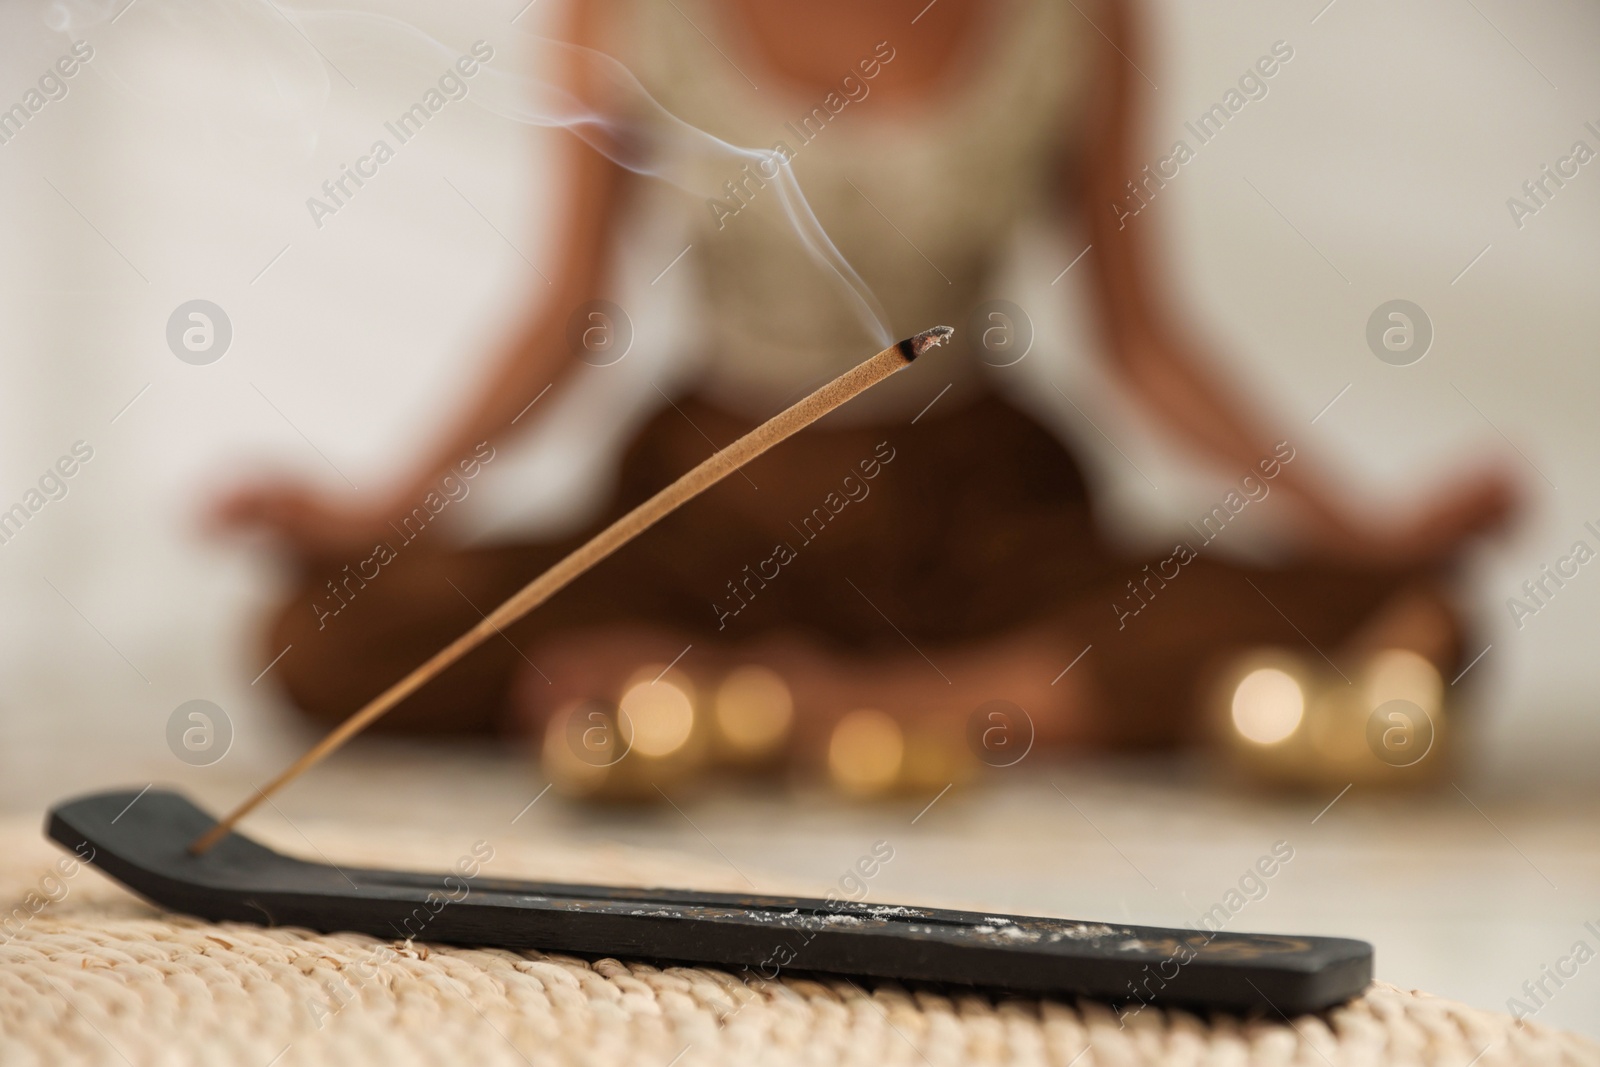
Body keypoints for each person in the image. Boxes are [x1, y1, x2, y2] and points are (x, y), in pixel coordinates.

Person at [213, 0, 1515, 770]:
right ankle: (910, 700)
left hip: (974, 511)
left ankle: (838, 707)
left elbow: (1146, 343)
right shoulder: (627, 13)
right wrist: (376, 509)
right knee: (324, 634)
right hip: (712, 501)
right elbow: (561, 319)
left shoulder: (1071, 19)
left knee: (1414, 621)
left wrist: (1367, 533)